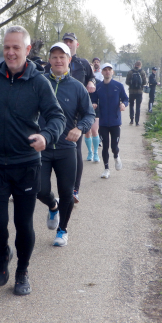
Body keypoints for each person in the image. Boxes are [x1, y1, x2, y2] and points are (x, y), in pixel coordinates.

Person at [0, 26, 65, 296]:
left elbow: (56, 116)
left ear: (27, 50)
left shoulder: (39, 82)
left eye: (16, 48)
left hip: (26, 164)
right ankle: (3, 253)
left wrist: (47, 136)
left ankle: (22, 271)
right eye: (7, 47)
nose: (11, 52)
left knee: (24, 224)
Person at [37, 42, 95, 247]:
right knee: (40, 189)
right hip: (41, 148)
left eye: (62, 57)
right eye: (54, 57)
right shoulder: (39, 82)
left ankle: (62, 229)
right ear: (49, 61)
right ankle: (53, 206)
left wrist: (80, 128)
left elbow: (89, 113)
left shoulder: (77, 87)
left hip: (66, 149)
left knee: (67, 192)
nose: (58, 60)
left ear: (69, 60)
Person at [48, 32, 96, 203]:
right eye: (65, 41)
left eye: (71, 41)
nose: (58, 60)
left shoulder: (83, 63)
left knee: (75, 153)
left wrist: (91, 82)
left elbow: (92, 77)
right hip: (48, 130)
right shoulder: (46, 75)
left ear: (77, 44)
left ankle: (74, 189)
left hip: (74, 115)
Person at [90, 63, 128, 179]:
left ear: (112, 72)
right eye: (105, 70)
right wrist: (94, 104)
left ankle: (116, 156)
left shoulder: (118, 86)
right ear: (102, 72)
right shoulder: (99, 87)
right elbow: (94, 99)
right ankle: (106, 169)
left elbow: (126, 99)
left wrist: (123, 104)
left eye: (109, 70)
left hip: (115, 121)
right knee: (105, 146)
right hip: (103, 122)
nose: (107, 72)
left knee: (114, 146)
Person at [85, 57, 102, 163]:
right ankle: (89, 152)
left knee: (94, 130)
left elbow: (102, 96)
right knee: (87, 132)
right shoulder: (82, 81)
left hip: (96, 109)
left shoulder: (99, 82)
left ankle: (96, 152)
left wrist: (96, 103)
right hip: (84, 109)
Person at [125, 61, 147, 126]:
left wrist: (131, 85)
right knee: (138, 107)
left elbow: (127, 82)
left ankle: (131, 120)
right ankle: (137, 122)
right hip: (139, 92)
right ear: (140, 65)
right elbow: (145, 82)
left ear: (135, 65)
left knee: (131, 105)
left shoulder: (130, 72)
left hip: (131, 92)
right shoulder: (142, 72)